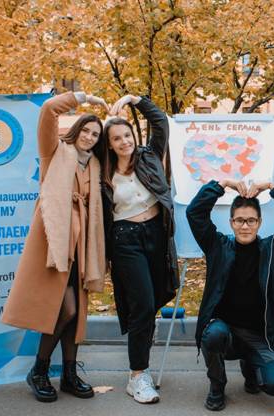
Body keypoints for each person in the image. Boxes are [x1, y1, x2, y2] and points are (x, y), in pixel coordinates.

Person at [2, 91, 109, 402]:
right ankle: (39, 370)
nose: (89, 137)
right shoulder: (55, 152)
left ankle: (69, 375)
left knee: (75, 316)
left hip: (82, 246)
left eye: (95, 134)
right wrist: (84, 97)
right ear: (76, 130)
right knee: (66, 309)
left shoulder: (95, 165)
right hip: (55, 243)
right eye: (86, 130)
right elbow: (49, 109)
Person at [186, 179, 274, 411]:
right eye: (240, 220)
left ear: (259, 222)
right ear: (231, 222)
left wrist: (272, 187)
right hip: (226, 333)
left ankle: (251, 366)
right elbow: (195, 213)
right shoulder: (217, 247)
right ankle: (217, 385)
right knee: (213, 334)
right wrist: (222, 184)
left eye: (251, 220)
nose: (245, 226)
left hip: (260, 337)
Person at [98, 94, 179, 404]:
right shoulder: (102, 170)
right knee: (142, 304)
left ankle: (144, 331)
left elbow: (160, 122)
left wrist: (134, 99)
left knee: (157, 295)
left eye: (127, 135)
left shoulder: (149, 156)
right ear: (109, 144)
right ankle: (137, 376)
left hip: (157, 234)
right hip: (125, 239)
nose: (124, 142)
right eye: (116, 138)